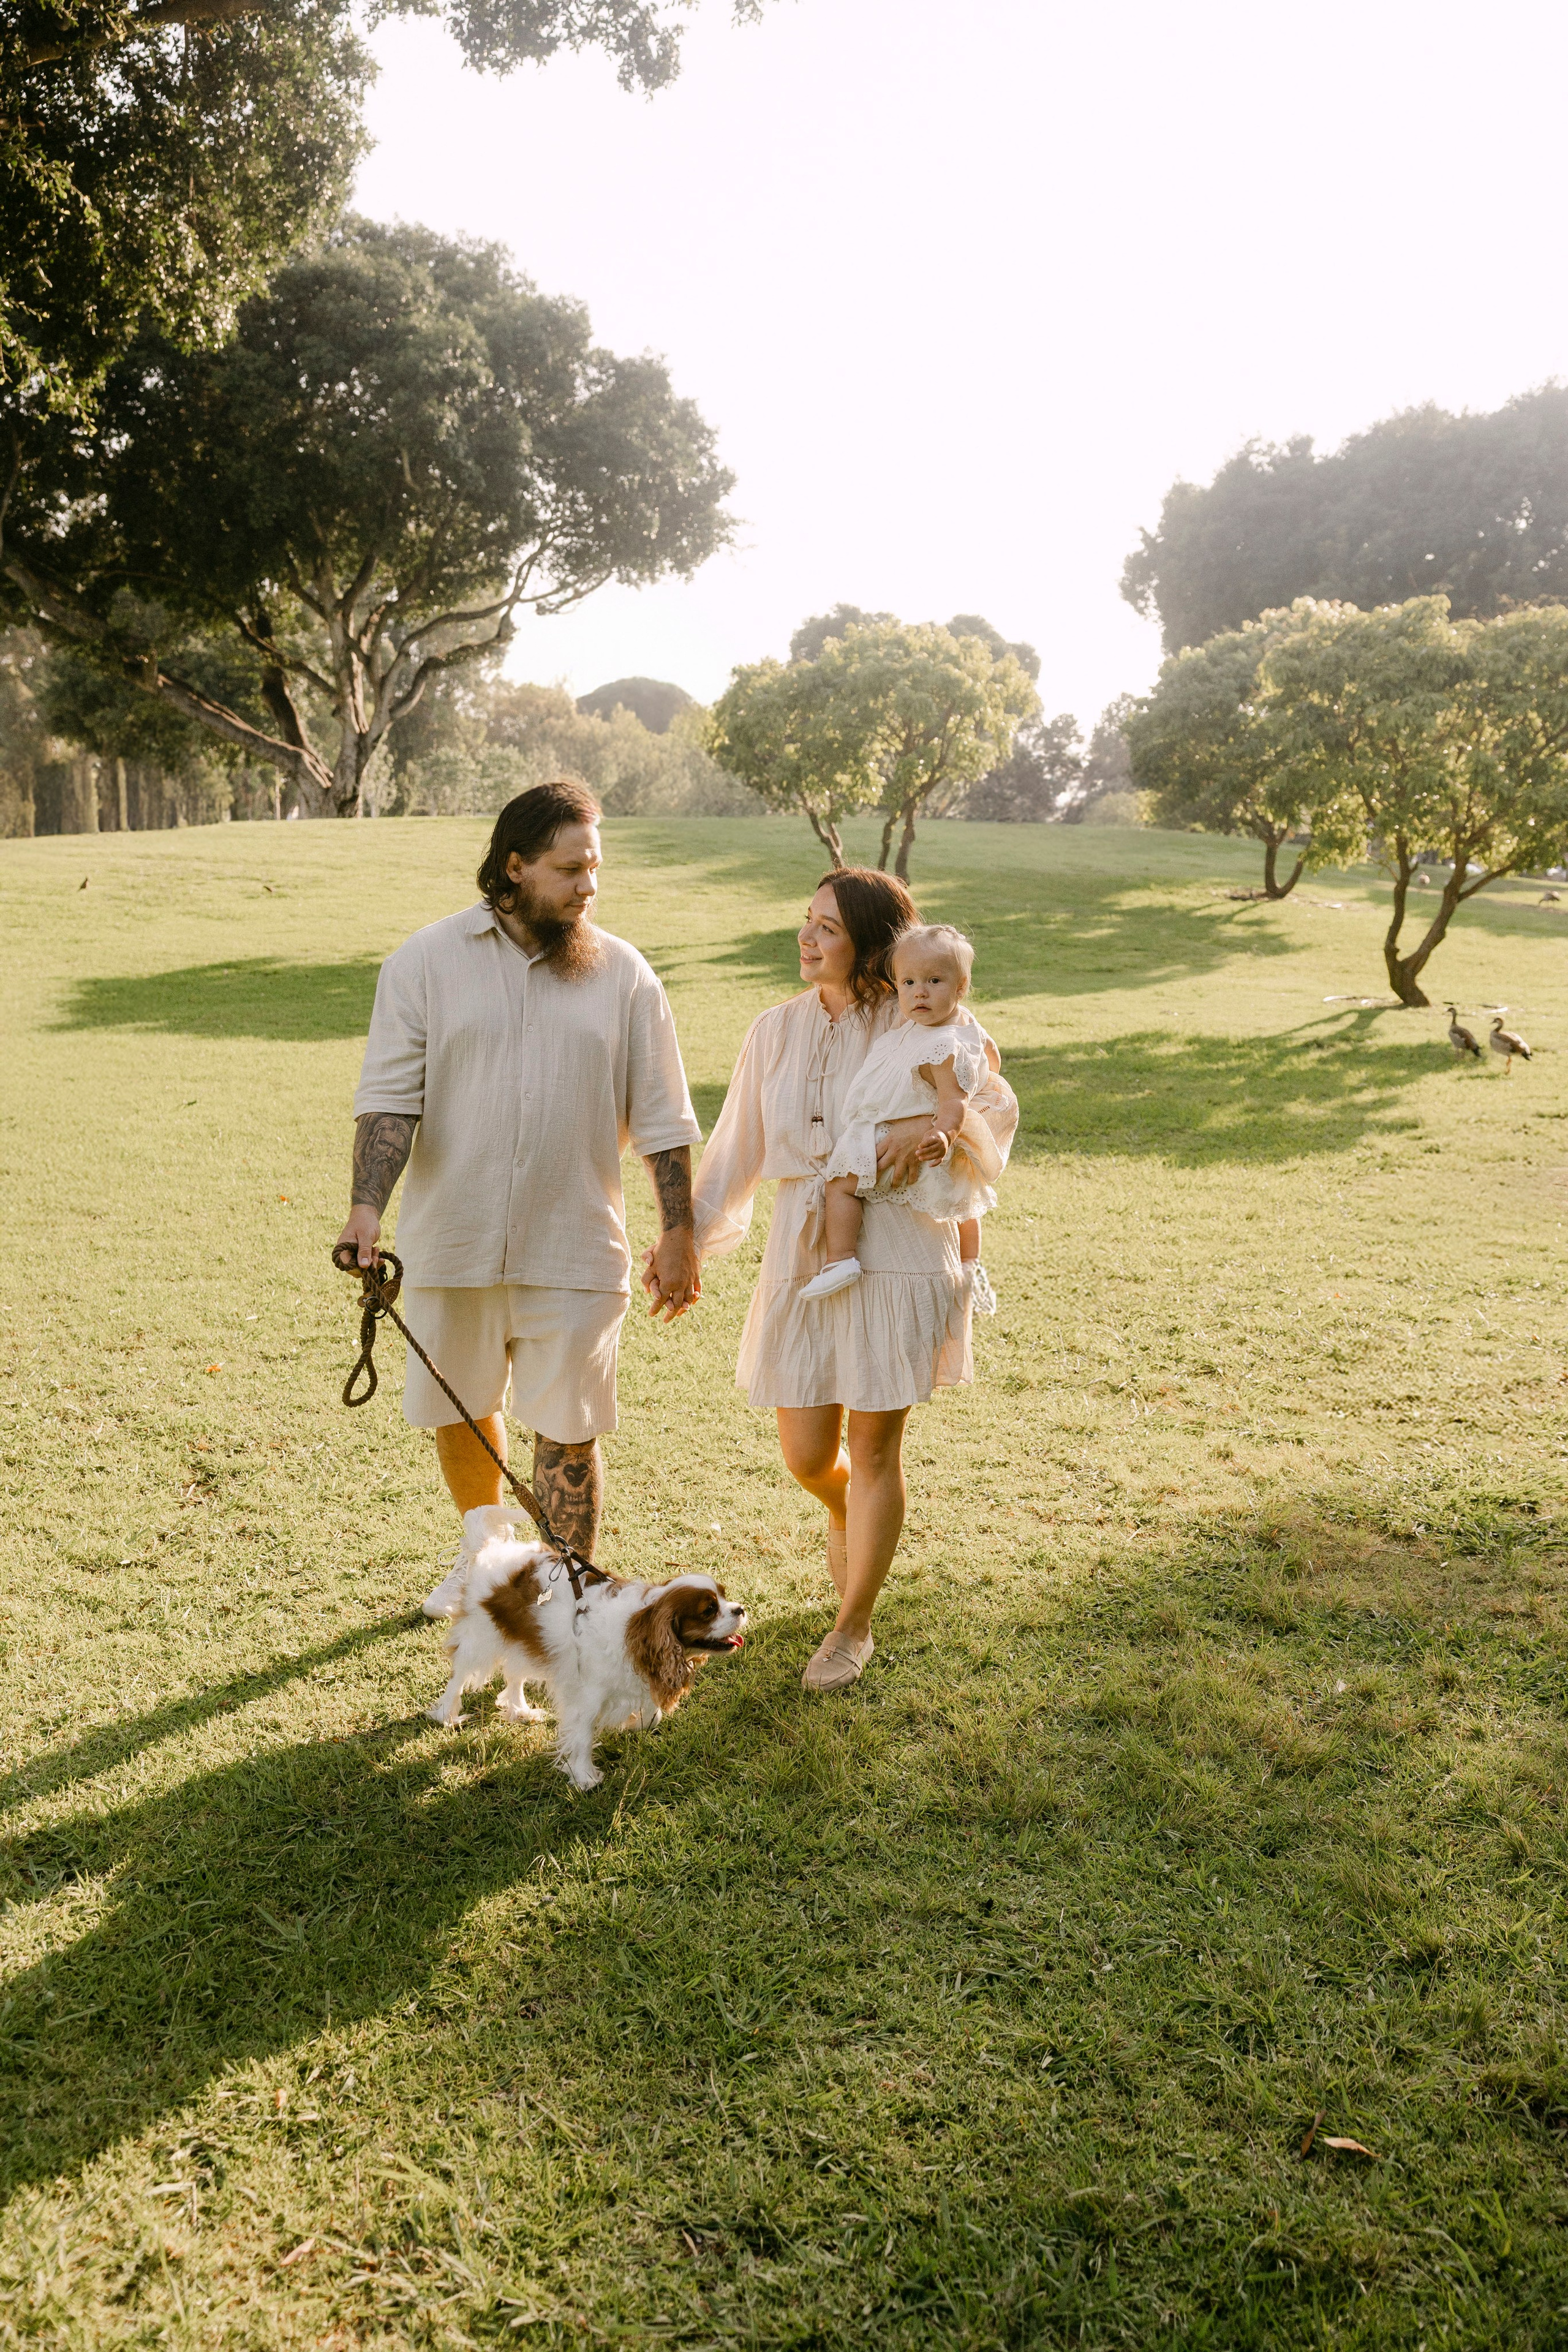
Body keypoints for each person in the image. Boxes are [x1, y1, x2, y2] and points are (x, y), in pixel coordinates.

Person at [336, 781, 703, 1610]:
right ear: (514, 866)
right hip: (452, 1238)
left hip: (575, 1243)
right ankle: (488, 1556)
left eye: (595, 869)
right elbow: (389, 1100)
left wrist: (679, 1233)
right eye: (570, 869)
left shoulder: (626, 975)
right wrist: (365, 1209)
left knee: (569, 1429)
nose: (588, 886)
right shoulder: (424, 962)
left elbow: (663, 1118)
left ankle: (565, 1600)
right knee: (462, 1410)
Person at [689, 869, 1017, 1692]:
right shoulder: (774, 1029)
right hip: (804, 1238)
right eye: (806, 921)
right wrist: (684, 1244)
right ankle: (849, 1513)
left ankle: (853, 1625)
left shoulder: (917, 1013)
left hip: (897, 1239)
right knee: (807, 1455)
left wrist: (924, 1130)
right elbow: (734, 1146)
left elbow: (994, 1107)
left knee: (873, 1446)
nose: (806, 938)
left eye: (827, 927)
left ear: (870, 942)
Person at [799, 922, 997, 1302]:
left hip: (894, 1139)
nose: (920, 991)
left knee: (840, 1186)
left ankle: (840, 1259)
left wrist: (944, 1133)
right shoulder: (934, 1030)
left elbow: (954, 1101)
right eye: (908, 982)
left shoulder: (944, 1047)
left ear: (961, 987)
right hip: (914, 1137)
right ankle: (971, 1264)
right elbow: (990, 1057)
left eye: (934, 981)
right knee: (962, 1197)